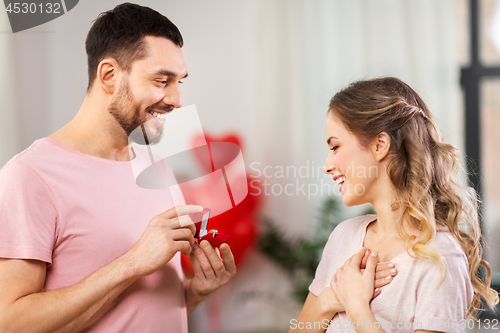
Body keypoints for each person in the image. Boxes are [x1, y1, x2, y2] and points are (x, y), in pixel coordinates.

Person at [0, 3, 236, 333]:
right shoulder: (29, 177)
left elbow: (144, 307)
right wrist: (133, 262)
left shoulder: (158, 167)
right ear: (109, 76)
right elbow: (10, 323)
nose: (177, 99)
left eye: (179, 81)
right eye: (161, 80)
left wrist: (195, 292)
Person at [291, 77, 498, 333]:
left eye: (335, 146)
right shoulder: (344, 237)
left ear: (380, 145)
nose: (327, 165)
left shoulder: (439, 256)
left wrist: (356, 306)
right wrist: (328, 300)